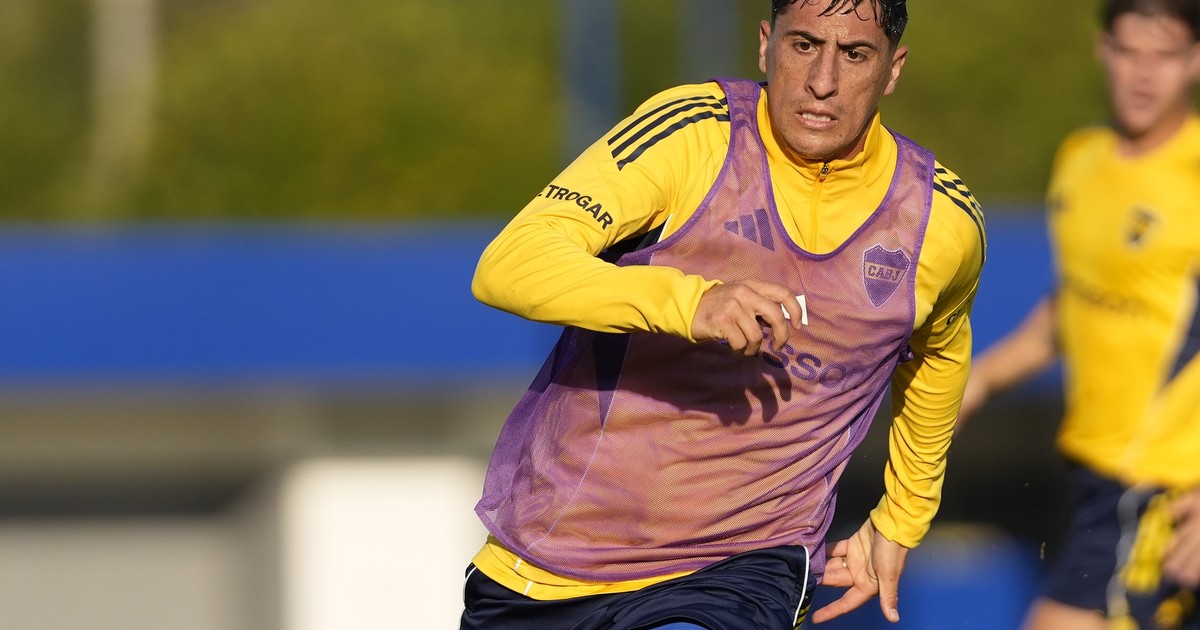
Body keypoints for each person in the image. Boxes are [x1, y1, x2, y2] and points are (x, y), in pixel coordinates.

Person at [461, 1, 985, 628]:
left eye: (854, 54)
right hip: (549, 563)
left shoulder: (940, 222)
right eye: (803, 45)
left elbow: (937, 357)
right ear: (766, 44)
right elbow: (510, 263)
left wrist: (903, 517)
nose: (822, 81)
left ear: (892, 69)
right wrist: (690, 302)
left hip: (745, 562)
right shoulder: (693, 134)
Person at [957, 1, 1200, 628]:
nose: (1143, 73)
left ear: (1195, 61)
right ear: (1103, 50)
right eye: (1129, 52)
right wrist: (978, 380)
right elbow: (1075, 307)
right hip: (1096, 477)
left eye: (1164, 55)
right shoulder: (1081, 157)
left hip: (1166, 488)